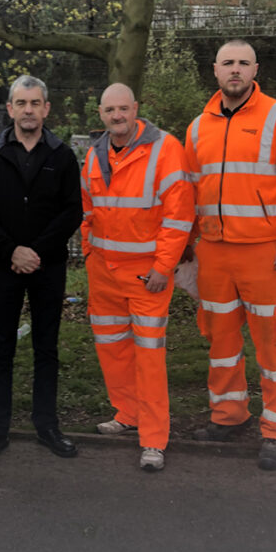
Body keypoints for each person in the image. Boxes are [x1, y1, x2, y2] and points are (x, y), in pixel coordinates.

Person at [183, 40, 276, 471]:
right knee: (221, 344)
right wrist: (186, 245)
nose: (235, 70)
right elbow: (187, 192)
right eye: (228, 63)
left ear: (255, 68)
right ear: (215, 71)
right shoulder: (197, 126)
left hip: (266, 254)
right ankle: (229, 416)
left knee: (273, 345)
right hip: (215, 253)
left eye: (243, 63)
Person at [0, 75, 83, 463]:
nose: (29, 110)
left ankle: (47, 425)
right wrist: (12, 251)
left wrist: (35, 251)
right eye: (21, 103)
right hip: (3, 267)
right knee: (0, 349)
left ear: (46, 109)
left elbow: (72, 212)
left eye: (35, 103)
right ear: (10, 109)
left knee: (45, 349)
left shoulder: (62, 156)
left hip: (47, 267)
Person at [81, 83, 194, 472]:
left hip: (147, 277)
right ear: (101, 113)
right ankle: (127, 413)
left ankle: (154, 439)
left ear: (136, 110)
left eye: (123, 109)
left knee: (148, 357)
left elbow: (178, 218)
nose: (117, 116)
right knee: (112, 350)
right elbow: (86, 210)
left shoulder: (165, 149)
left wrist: (163, 269)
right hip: (104, 274)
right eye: (110, 110)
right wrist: (88, 252)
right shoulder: (95, 154)